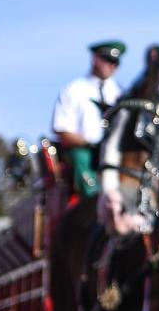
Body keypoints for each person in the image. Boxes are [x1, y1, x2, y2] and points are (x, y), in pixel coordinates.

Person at [51, 40, 125, 196]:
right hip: (85, 152)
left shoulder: (120, 93)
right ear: (95, 59)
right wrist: (92, 143)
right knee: (81, 158)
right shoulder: (74, 89)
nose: (112, 66)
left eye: (116, 63)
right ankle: (92, 201)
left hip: (114, 152)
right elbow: (62, 130)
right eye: (108, 61)